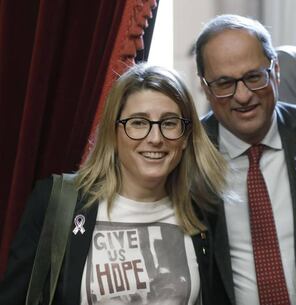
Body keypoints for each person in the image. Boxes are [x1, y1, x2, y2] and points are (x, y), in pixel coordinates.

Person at [0, 63, 227, 305]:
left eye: (169, 123)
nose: (155, 138)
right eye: (138, 123)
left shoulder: (201, 212)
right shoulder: (56, 203)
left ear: (185, 138)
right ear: (113, 133)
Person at [194, 14, 296, 305]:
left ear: (275, 70)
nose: (242, 96)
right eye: (224, 83)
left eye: (254, 77)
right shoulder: (187, 154)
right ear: (205, 87)